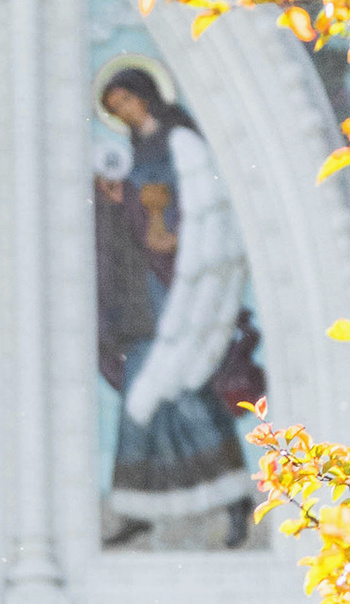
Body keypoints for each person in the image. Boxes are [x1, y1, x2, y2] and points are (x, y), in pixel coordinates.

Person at [92, 64, 256, 550]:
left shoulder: (181, 142)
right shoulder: (137, 151)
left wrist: (172, 230)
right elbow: (136, 219)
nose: (124, 111)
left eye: (127, 100)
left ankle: (234, 498)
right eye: (115, 108)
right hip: (145, 288)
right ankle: (139, 506)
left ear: (146, 95)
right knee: (145, 386)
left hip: (181, 282)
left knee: (183, 385)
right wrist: (118, 200)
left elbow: (205, 208)